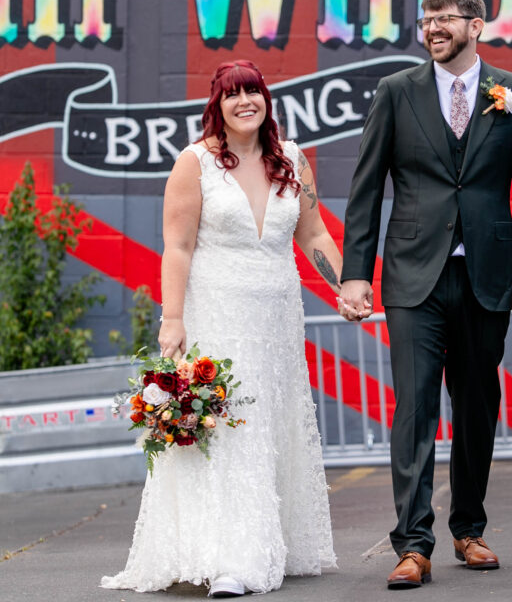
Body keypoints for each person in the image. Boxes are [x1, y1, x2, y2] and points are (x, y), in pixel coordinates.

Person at [102, 59, 355, 598]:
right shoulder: (195, 163)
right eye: (232, 95)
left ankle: (271, 543)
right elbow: (178, 246)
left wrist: (345, 285)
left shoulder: (293, 161)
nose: (245, 102)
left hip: (279, 317)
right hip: (217, 313)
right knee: (230, 428)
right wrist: (172, 320)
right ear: (216, 105)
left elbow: (313, 233)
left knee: (273, 426)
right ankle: (229, 559)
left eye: (254, 92)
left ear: (266, 99)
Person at [340, 0, 512, 590]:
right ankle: (412, 543)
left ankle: (469, 530)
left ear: (476, 25)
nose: (432, 28)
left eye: (445, 19)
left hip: (486, 274)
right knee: (414, 408)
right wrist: (358, 273)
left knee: (479, 405)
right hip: (413, 275)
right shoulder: (395, 93)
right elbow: (366, 187)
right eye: (425, 18)